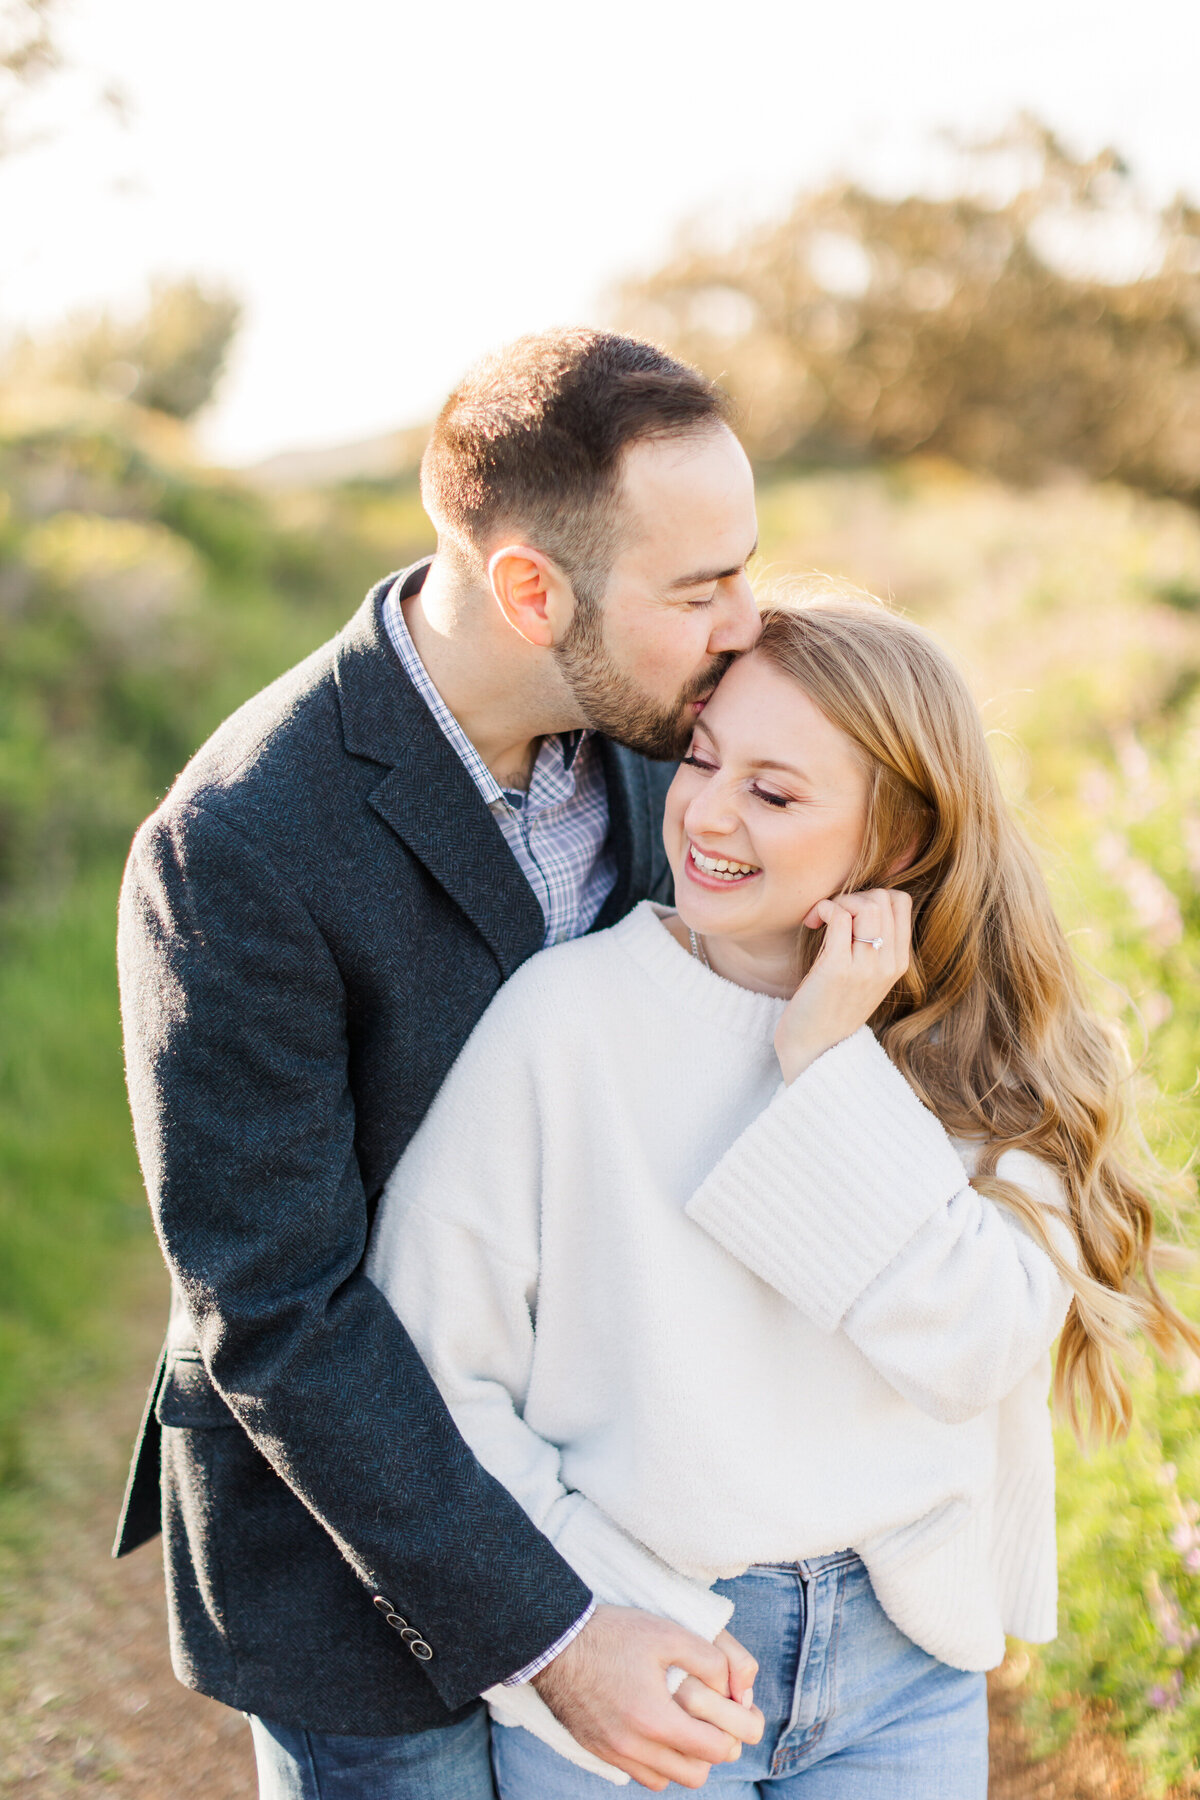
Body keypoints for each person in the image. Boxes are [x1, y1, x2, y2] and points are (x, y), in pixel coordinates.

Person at [367, 580, 1199, 1797]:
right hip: (648, 1643)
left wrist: (822, 1064)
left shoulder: (978, 1052)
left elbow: (970, 1347)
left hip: (899, 1667)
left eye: (774, 791)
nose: (705, 812)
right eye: (703, 760)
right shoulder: (565, 1027)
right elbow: (438, 1370)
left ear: (900, 842)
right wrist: (591, 1617)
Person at [113, 328, 769, 1799]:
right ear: (533, 591)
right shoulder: (235, 845)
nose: (747, 620)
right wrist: (551, 1635)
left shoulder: (685, 745)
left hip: (636, 1507)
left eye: (745, 565)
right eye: (700, 587)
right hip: (357, 1580)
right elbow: (276, 1309)